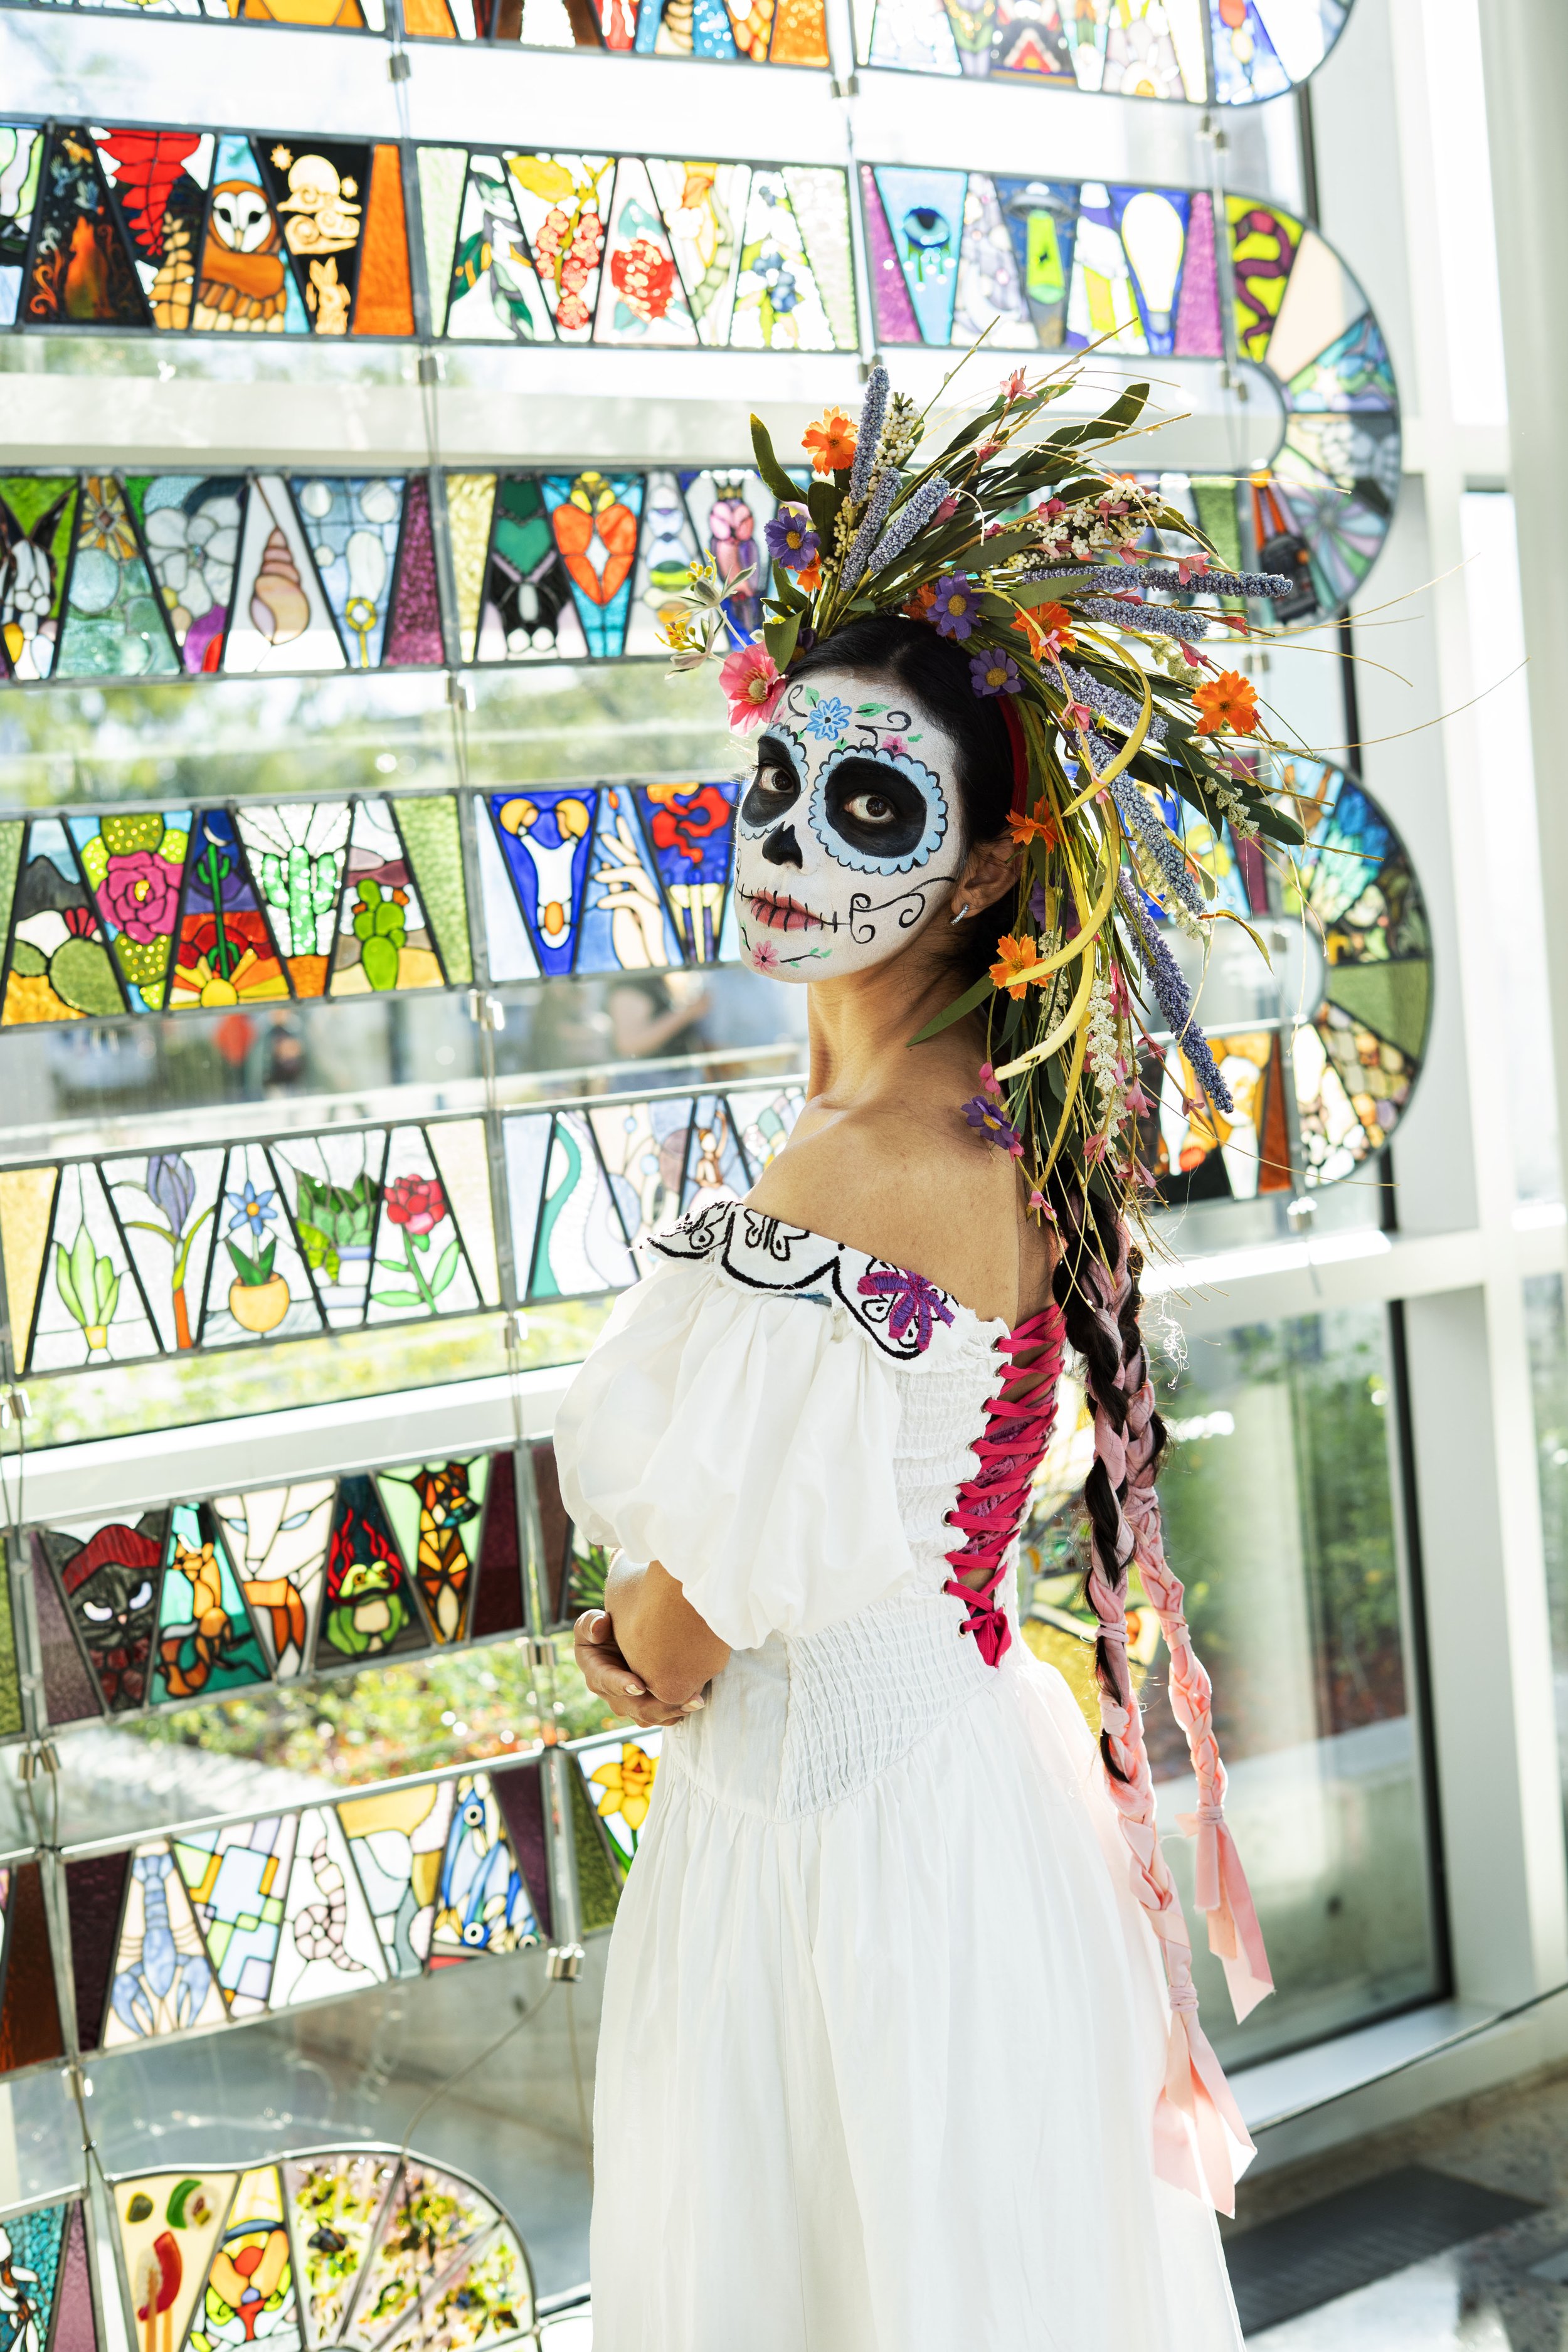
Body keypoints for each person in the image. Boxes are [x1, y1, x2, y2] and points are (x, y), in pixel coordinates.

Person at [555, 365, 1298, 2348]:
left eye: (868, 803)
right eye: (777, 785)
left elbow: (700, 1615)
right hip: (964, 1806)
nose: (792, 840)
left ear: (981, 867)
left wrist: (636, 1639)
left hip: (837, 1857)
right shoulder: (1003, 1118)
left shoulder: (864, 1170)